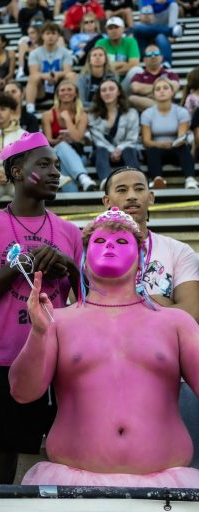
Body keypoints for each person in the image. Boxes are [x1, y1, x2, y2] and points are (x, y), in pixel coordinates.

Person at [9, 207, 199, 487]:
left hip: (168, 487)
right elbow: (23, 392)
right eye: (100, 241)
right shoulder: (57, 321)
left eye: (121, 241)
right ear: (84, 259)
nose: (110, 245)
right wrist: (38, 332)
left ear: (141, 259)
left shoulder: (176, 322)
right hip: (74, 484)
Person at [0, 132, 83, 484]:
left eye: (57, 165)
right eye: (44, 164)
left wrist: (70, 267)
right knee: (1, 467)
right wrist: (19, 266)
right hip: (6, 362)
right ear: (16, 172)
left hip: (63, 364)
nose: (55, 172)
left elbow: (87, 301)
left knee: (73, 460)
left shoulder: (70, 232)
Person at [101, 167, 199, 469]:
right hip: (107, 373)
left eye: (139, 188)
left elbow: (191, 312)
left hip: (172, 374)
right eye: (121, 190)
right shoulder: (93, 253)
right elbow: (88, 314)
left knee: (185, 466)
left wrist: (130, 303)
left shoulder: (178, 251)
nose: (132, 196)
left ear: (151, 197)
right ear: (106, 201)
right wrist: (161, 304)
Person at [141, 78, 197, 190]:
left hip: (176, 149)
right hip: (156, 151)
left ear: (172, 92)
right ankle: (157, 180)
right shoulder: (147, 113)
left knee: (183, 147)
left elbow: (181, 137)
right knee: (152, 150)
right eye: (158, 89)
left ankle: (190, 179)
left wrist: (173, 144)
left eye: (165, 88)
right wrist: (161, 145)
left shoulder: (181, 111)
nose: (161, 91)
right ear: (153, 94)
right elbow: (146, 141)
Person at [42, 80, 96, 191]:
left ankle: (74, 193)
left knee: (64, 167)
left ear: (75, 93)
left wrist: (67, 119)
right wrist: (58, 140)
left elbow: (78, 138)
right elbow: (48, 140)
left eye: (69, 90)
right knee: (61, 146)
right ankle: (83, 177)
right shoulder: (48, 115)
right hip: (55, 155)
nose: (66, 92)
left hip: (77, 155)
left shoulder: (82, 115)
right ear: (58, 94)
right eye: (62, 90)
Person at [88, 79, 140, 183]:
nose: (107, 92)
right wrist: (112, 150)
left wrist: (119, 149)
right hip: (102, 155)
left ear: (118, 92)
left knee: (129, 150)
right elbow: (98, 140)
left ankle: (136, 182)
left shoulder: (131, 112)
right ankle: (106, 182)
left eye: (111, 89)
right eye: (103, 90)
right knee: (101, 150)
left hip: (126, 153)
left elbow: (132, 138)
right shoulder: (92, 115)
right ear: (99, 94)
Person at [26, 22, 74, 115]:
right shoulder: (34, 53)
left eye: (53, 33)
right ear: (42, 36)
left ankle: (73, 105)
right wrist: (47, 76)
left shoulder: (65, 52)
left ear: (58, 36)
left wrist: (57, 75)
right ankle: (30, 107)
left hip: (60, 86)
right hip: (42, 89)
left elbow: (68, 71)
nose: (50, 36)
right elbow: (33, 72)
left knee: (72, 75)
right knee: (33, 77)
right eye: (47, 33)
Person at [128, 44, 180, 112]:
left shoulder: (171, 74)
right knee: (132, 98)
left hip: (156, 105)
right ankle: (162, 107)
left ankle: (161, 107)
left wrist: (150, 93)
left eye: (156, 53)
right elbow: (135, 88)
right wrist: (163, 87)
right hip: (148, 110)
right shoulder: (138, 75)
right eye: (149, 54)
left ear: (161, 57)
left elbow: (175, 87)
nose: (153, 56)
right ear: (144, 60)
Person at [94, 17, 139, 87]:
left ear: (123, 29)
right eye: (110, 28)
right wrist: (123, 63)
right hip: (105, 82)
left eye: (116, 27)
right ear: (106, 31)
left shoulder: (130, 41)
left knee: (137, 70)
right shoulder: (101, 43)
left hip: (125, 83)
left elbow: (134, 64)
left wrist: (111, 69)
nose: (113, 30)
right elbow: (97, 66)